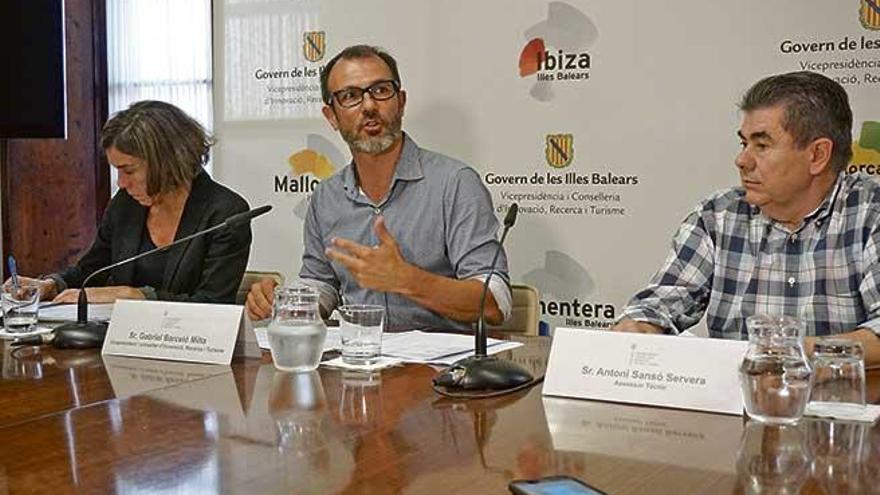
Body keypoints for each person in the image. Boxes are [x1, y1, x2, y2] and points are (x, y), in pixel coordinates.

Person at [613, 71, 880, 367]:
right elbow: (659, 305)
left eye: (762, 145)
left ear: (817, 155)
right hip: (734, 404)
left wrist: (785, 352)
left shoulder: (870, 213)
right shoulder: (718, 215)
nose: (742, 160)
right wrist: (638, 328)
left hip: (842, 406)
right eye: (744, 144)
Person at [246, 45, 511, 331]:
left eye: (381, 90)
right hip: (357, 361)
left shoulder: (455, 183)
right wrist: (288, 303)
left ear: (401, 101)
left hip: (440, 369)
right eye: (350, 96)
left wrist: (407, 280)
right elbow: (323, 285)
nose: (369, 106)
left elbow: (495, 301)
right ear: (331, 117)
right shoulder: (326, 196)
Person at [18, 100, 252, 304]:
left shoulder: (226, 213)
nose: (120, 183)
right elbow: (90, 271)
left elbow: (214, 304)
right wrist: (51, 284)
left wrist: (135, 295)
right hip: (118, 340)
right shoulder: (125, 204)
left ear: (167, 162)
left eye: (128, 170)